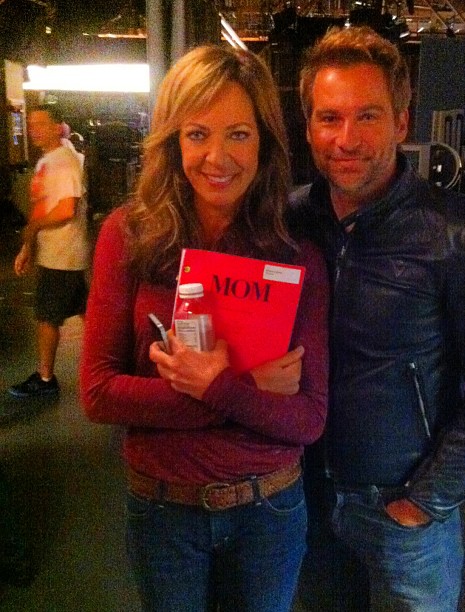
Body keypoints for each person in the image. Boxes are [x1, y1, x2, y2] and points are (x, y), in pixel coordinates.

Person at [290, 26, 465, 611]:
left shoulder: (462, 234)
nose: (346, 138)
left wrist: (425, 501)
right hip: (305, 497)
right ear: (309, 126)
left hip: (404, 508)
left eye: (368, 116)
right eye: (329, 118)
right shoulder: (290, 219)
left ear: (401, 123)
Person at [80, 44, 329, 612]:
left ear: (265, 142)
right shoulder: (128, 235)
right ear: (173, 141)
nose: (218, 157)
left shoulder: (295, 253)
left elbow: (308, 418)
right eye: (197, 134)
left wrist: (212, 388)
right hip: (163, 510)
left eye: (238, 134)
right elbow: (98, 393)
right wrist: (245, 388)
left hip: (268, 509)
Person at [9, 104, 88, 398]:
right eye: (31, 124)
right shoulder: (48, 160)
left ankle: (45, 379)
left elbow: (66, 209)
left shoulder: (64, 161)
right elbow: (42, 206)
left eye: (41, 124)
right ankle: (115, 363)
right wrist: (28, 246)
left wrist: (32, 229)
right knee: (87, 312)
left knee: (47, 317)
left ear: (58, 127)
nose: (34, 130)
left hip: (63, 254)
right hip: (57, 253)